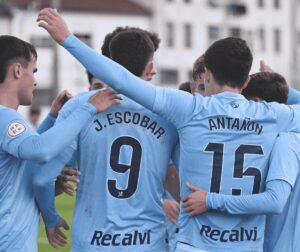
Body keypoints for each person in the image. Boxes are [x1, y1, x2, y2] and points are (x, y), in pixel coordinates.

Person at [38, 8, 300, 251]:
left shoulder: (189, 109)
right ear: (246, 80)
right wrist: (284, 92)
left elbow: (122, 81)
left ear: (206, 74)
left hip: (188, 245)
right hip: (238, 245)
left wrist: (68, 39)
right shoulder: (274, 116)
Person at [34, 28, 178, 252]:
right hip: (148, 244)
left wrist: (50, 218)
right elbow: (177, 179)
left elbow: (43, 179)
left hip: (92, 243)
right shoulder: (168, 111)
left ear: (108, 63)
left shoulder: (78, 106)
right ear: (150, 66)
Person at [0, 34, 120, 252]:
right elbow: (40, 151)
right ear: (18, 71)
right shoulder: (5, 117)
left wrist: (52, 118)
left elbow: (25, 163)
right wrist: (88, 107)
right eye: (33, 71)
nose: (35, 81)